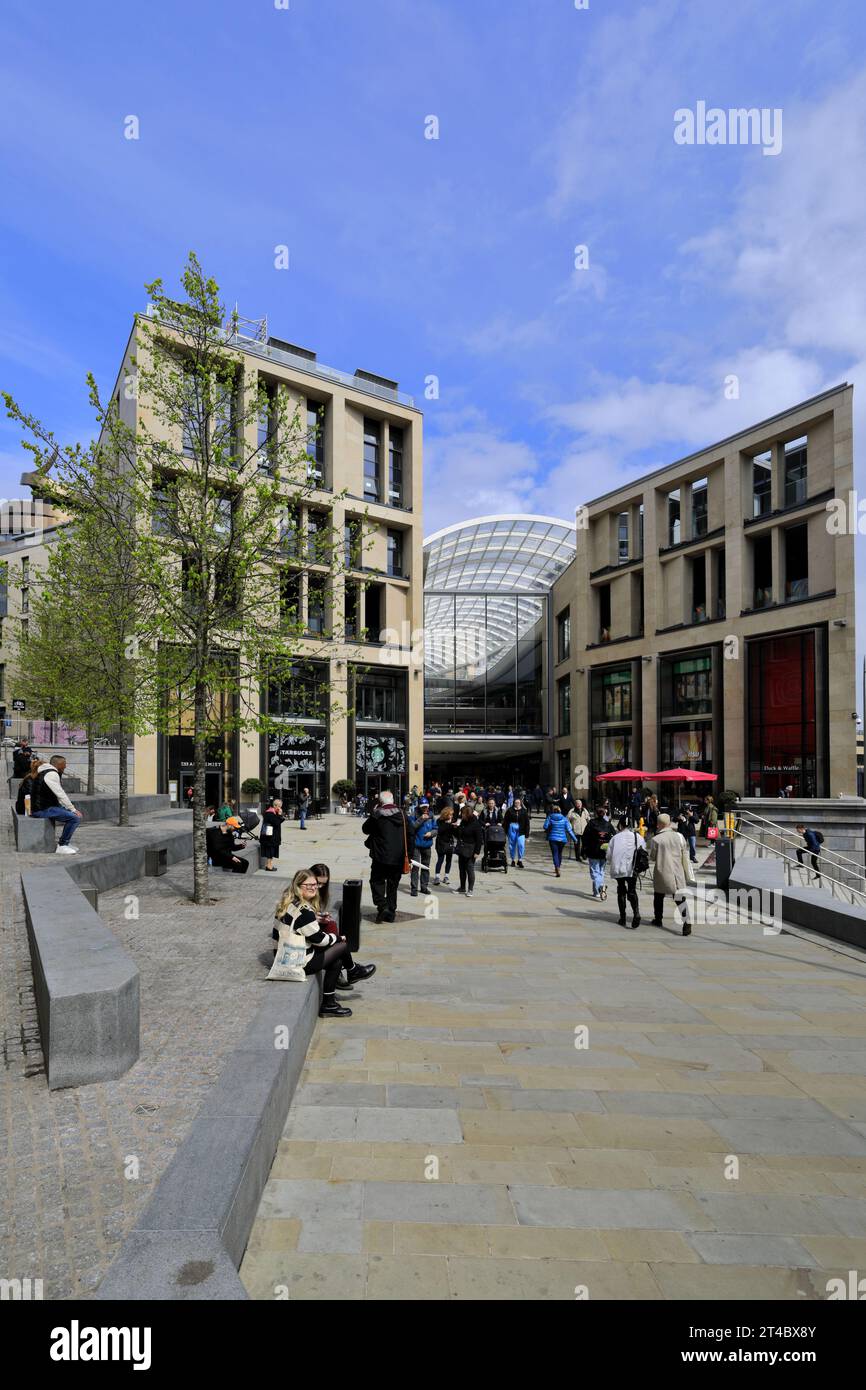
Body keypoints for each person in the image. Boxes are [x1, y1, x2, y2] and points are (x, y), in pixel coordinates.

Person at [274, 871, 375, 1018]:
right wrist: (337, 938)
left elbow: (299, 925)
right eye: (308, 885)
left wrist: (316, 920)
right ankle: (353, 971)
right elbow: (319, 940)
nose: (313, 888)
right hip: (298, 961)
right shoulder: (304, 911)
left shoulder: (288, 903)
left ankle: (329, 1003)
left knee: (338, 958)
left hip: (284, 953)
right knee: (342, 945)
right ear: (297, 886)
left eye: (315, 885)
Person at [362, 790, 408, 923]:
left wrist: (373, 814)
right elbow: (410, 835)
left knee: (376, 881)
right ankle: (391, 912)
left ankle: (382, 906)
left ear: (381, 802)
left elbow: (365, 829)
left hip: (380, 856)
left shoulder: (378, 815)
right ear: (393, 801)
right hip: (398, 857)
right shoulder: (403, 815)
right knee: (393, 885)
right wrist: (408, 856)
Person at [649, 813, 693, 935]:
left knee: (658, 896)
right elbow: (684, 852)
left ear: (659, 824)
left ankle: (658, 919)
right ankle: (686, 920)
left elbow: (652, 857)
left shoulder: (656, 839)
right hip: (677, 871)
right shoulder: (679, 837)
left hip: (662, 870)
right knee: (679, 897)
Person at [30, 755, 83, 854]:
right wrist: (72, 809)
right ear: (59, 764)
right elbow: (60, 794)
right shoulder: (51, 774)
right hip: (41, 810)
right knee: (75, 818)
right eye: (64, 764)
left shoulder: (46, 772)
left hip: (44, 806)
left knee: (73, 815)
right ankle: (62, 845)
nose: (66, 766)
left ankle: (64, 843)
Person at [609, 816, 645, 929]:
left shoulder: (615, 838)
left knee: (621, 890)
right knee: (632, 890)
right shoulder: (637, 837)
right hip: (632, 868)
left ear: (620, 825)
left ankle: (623, 917)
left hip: (619, 868)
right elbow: (643, 850)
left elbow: (609, 856)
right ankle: (636, 913)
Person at [582, 806, 613, 900]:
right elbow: (614, 836)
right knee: (601, 871)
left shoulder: (591, 823)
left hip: (593, 850)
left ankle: (600, 888)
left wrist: (584, 848)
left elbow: (585, 836)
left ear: (596, 813)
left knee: (595, 871)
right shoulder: (608, 824)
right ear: (604, 814)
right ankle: (596, 892)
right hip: (604, 851)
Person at [542, 802, 578, 877]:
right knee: (559, 853)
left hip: (553, 838)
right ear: (560, 811)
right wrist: (575, 839)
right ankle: (558, 867)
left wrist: (549, 825)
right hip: (562, 839)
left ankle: (557, 867)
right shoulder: (564, 818)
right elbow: (569, 829)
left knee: (555, 853)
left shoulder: (550, 817)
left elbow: (545, 827)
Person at [409, 801, 436, 896]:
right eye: (423, 807)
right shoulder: (414, 814)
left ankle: (424, 887)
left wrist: (431, 833)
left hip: (427, 845)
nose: (425, 809)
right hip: (416, 845)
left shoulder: (431, 816)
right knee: (415, 867)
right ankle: (414, 888)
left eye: (426, 807)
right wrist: (421, 819)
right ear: (420, 807)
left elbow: (436, 828)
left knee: (425, 866)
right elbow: (411, 827)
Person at [455, 803, 483, 896]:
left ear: (467, 814)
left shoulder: (476, 824)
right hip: (462, 848)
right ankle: (462, 887)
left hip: (470, 850)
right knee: (461, 869)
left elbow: (479, 839)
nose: (461, 815)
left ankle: (470, 889)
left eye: (462, 813)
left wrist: (477, 852)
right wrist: (456, 828)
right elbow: (459, 834)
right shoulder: (463, 822)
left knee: (469, 869)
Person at [503, 796, 530, 867]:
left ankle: (520, 860)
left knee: (521, 845)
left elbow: (527, 823)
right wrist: (504, 832)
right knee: (512, 845)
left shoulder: (524, 811)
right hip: (511, 828)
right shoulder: (509, 810)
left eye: (518, 802)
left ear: (520, 803)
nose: (517, 804)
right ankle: (513, 860)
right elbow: (505, 821)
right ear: (514, 803)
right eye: (516, 802)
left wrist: (527, 834)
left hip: (521, 829)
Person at [259, 797, 284, 871]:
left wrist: (279, 815)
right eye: (279, 806)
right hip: (269, 837)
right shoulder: (269, 813)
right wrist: (279, 815)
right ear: (275, 806)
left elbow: (278, 821)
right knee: (270, 851)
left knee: (272, 850)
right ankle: (269, 866)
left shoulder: (273, 812)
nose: (280, 808)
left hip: (272, 836)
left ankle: (268, 865)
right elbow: (276, 822)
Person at [433, 806, 457, 885]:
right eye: (450, 814)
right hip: (441, 843)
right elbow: (440, 830)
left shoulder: (453, 821)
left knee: (449, 860)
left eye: (452, 814)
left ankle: (446, 876)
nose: (452, 816)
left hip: (449, 843)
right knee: (440, 860)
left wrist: (455, 827)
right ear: (446, 814)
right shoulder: (439, 821)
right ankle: (437, 877)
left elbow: (455, 834)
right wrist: (449, 825)